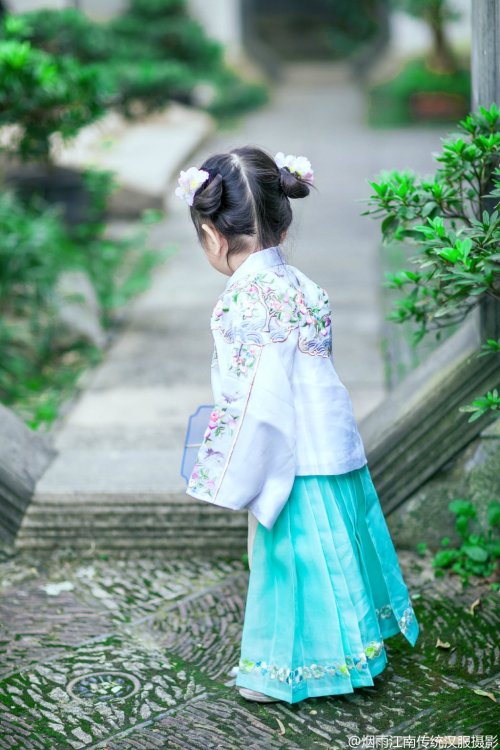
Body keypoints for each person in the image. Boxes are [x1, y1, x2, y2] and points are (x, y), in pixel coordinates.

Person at [175, 145, 419, 705]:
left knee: (290, 564)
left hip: (287, 454)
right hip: (330, 447)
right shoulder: (305, 287)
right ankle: (355, 652)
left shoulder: (242, 302)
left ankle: (283, 671)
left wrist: (229, 469)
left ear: (212, 236)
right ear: (283, 224)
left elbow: (254, 400)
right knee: (332, 553)